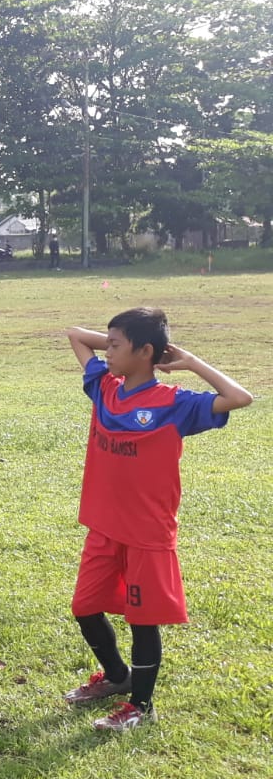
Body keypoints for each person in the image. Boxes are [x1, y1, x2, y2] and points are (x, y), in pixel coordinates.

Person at [62, 309, 251, 730]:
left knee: (142, 620)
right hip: (104, 525)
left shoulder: (175, 403)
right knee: (85, 607)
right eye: (106, 344)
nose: (106, 352)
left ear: (145, 352)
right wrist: (122, 342)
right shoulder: (104, 388)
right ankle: (117, 678)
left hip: (147, 532)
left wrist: (188, 361)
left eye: (115, 345)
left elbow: (240, 398)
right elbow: (76, 335)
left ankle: (141, 708)